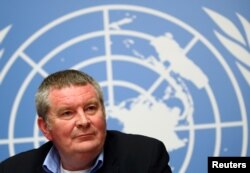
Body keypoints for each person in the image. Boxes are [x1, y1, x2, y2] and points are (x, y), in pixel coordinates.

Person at [0, 69, 172, 173]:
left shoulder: (144, 158)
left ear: (103, 112)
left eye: (90, 108)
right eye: (67, 113)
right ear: (45, 127)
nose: (83, 121)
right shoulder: (13, 170)